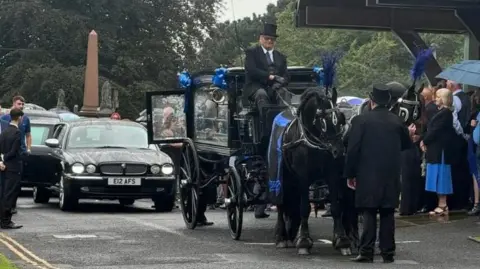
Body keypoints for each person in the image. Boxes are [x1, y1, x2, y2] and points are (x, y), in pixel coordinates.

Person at [344, 84, 414, 263]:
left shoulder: (360, 120)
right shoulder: (397, 121)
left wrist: (350, 174)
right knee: (387, 212)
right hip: (390, 173)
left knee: (368, 212)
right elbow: (406, 145)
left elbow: (353, 150)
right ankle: (388, 252)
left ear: (372, 101)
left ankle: (366, 251)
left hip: (367, 172)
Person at [244, 23, 288, 219]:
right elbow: (252, 71)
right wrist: (270, 76)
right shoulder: (252, 52)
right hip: (255, 87)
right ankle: (266, 129)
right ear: (261, 38)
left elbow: (285, 74)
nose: (269, 42)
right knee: (262, 95)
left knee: (284, 94)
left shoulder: (280, 57)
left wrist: (281, 80)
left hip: (275, 87)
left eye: (272, 40)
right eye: (267, 39)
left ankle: (286, 126)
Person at [421, 88, 457, 216]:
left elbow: (435, 130)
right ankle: (440, 203)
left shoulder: (446, 113)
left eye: (437, 96)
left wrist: (424, 140)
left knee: (441, 175)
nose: (435, 99)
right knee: (436, 175)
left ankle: (443, 203)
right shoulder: (442, 112)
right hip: (435, 148)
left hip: (440, 150)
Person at [0, 96, 31, 215]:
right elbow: (9, 146)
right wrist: (3, 158)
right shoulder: (5, 121)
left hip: (15, 155)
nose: (21, 105)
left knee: (13, 185)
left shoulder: (25, 120)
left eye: (23, 104)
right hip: (10, 157)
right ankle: (6, 213)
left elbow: (28, 135)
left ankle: (9, 208)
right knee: (8, 185)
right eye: (19, 103)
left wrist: (28, 148)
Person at [446, 81, 471, 210]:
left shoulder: (455, 98)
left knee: (456, 170)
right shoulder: (466, 98)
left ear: (453, 85)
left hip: (457, 139)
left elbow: (455, 121)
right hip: (465, 139)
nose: (446, 83)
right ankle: (463, 200)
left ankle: (456, 201)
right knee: (463, 169)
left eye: (448, 81)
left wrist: (462, 134)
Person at [0, 108, 24, 229]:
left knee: (4, 193)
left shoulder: (4, 132)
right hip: (14, 167)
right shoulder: (17, 133)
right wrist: (5, 157)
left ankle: (2, 219)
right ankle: (6, 221)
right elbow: (14, 151)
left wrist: (1, 160)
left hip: (4, 167)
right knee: (10, 194)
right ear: (19, 118)